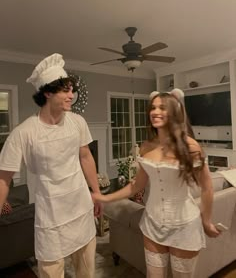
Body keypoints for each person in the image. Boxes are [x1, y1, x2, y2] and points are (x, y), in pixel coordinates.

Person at [93, 88, 221, 278]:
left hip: (184, 225)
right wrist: (104, 197)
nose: (155, 111)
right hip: (152, 223)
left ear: (174, 112)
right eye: (153, 107)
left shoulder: (191, 146)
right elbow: (136, 185)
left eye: (162, 107)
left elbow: (207, 187)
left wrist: (207, 220)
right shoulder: (146, 147)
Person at [0, 53, 102, 278]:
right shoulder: (24, 133)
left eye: (71, 90)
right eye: (65, 90)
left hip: (81, 209)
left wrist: (96, 192)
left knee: (86, 272)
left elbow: (85, 156)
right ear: (47, 92)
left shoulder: (77, 122)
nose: (71, 95)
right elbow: (4, 178)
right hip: (51, 217)